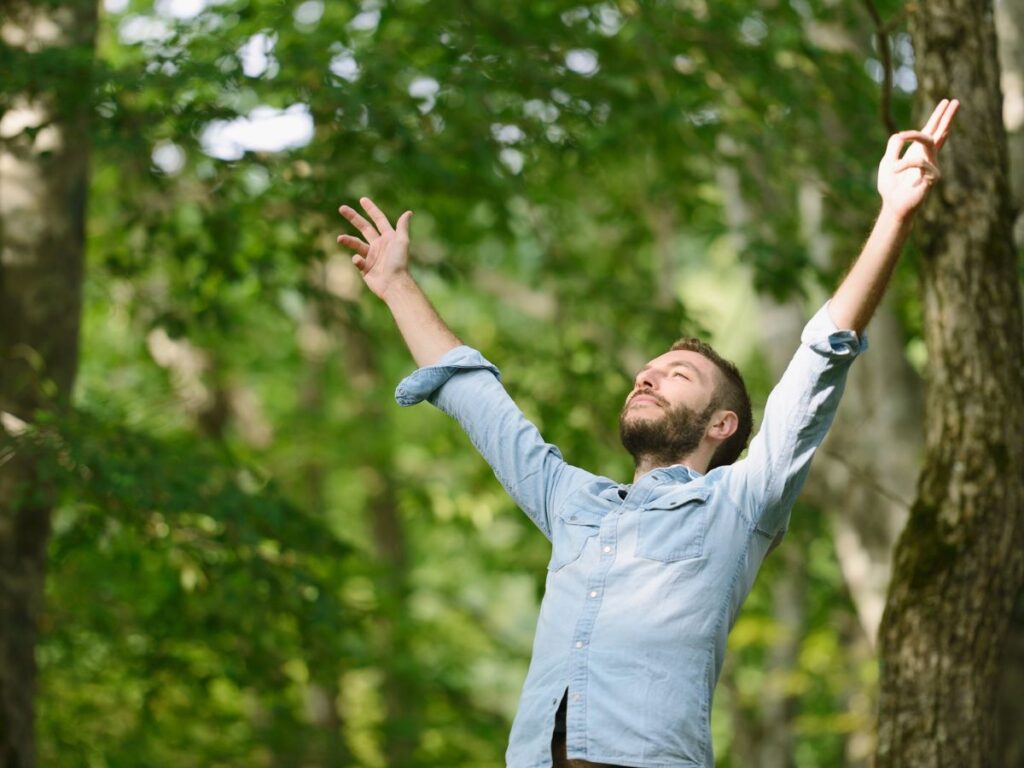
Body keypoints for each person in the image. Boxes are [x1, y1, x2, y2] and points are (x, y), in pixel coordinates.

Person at [337, 98, 959, 768]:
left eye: (678, 373)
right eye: (648, 369)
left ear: (722, 424)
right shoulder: (572, 503)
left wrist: (893, 215)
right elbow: (476, 397)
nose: (647, 376)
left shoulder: (739, 505)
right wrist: (397, 283)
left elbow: (820, 359)